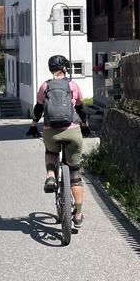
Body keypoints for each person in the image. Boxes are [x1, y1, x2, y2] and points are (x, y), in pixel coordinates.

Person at [29, 54, 89, 228]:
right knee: (75, 175)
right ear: (65, 68)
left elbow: (38, 109)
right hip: (72, 132)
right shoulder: (73, 85)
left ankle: (50, 176)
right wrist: (85, 126)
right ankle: (78, 215)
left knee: (50, 151)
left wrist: (33, 126)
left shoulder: (45, 86)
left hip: (51, 132)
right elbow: (81, 108)